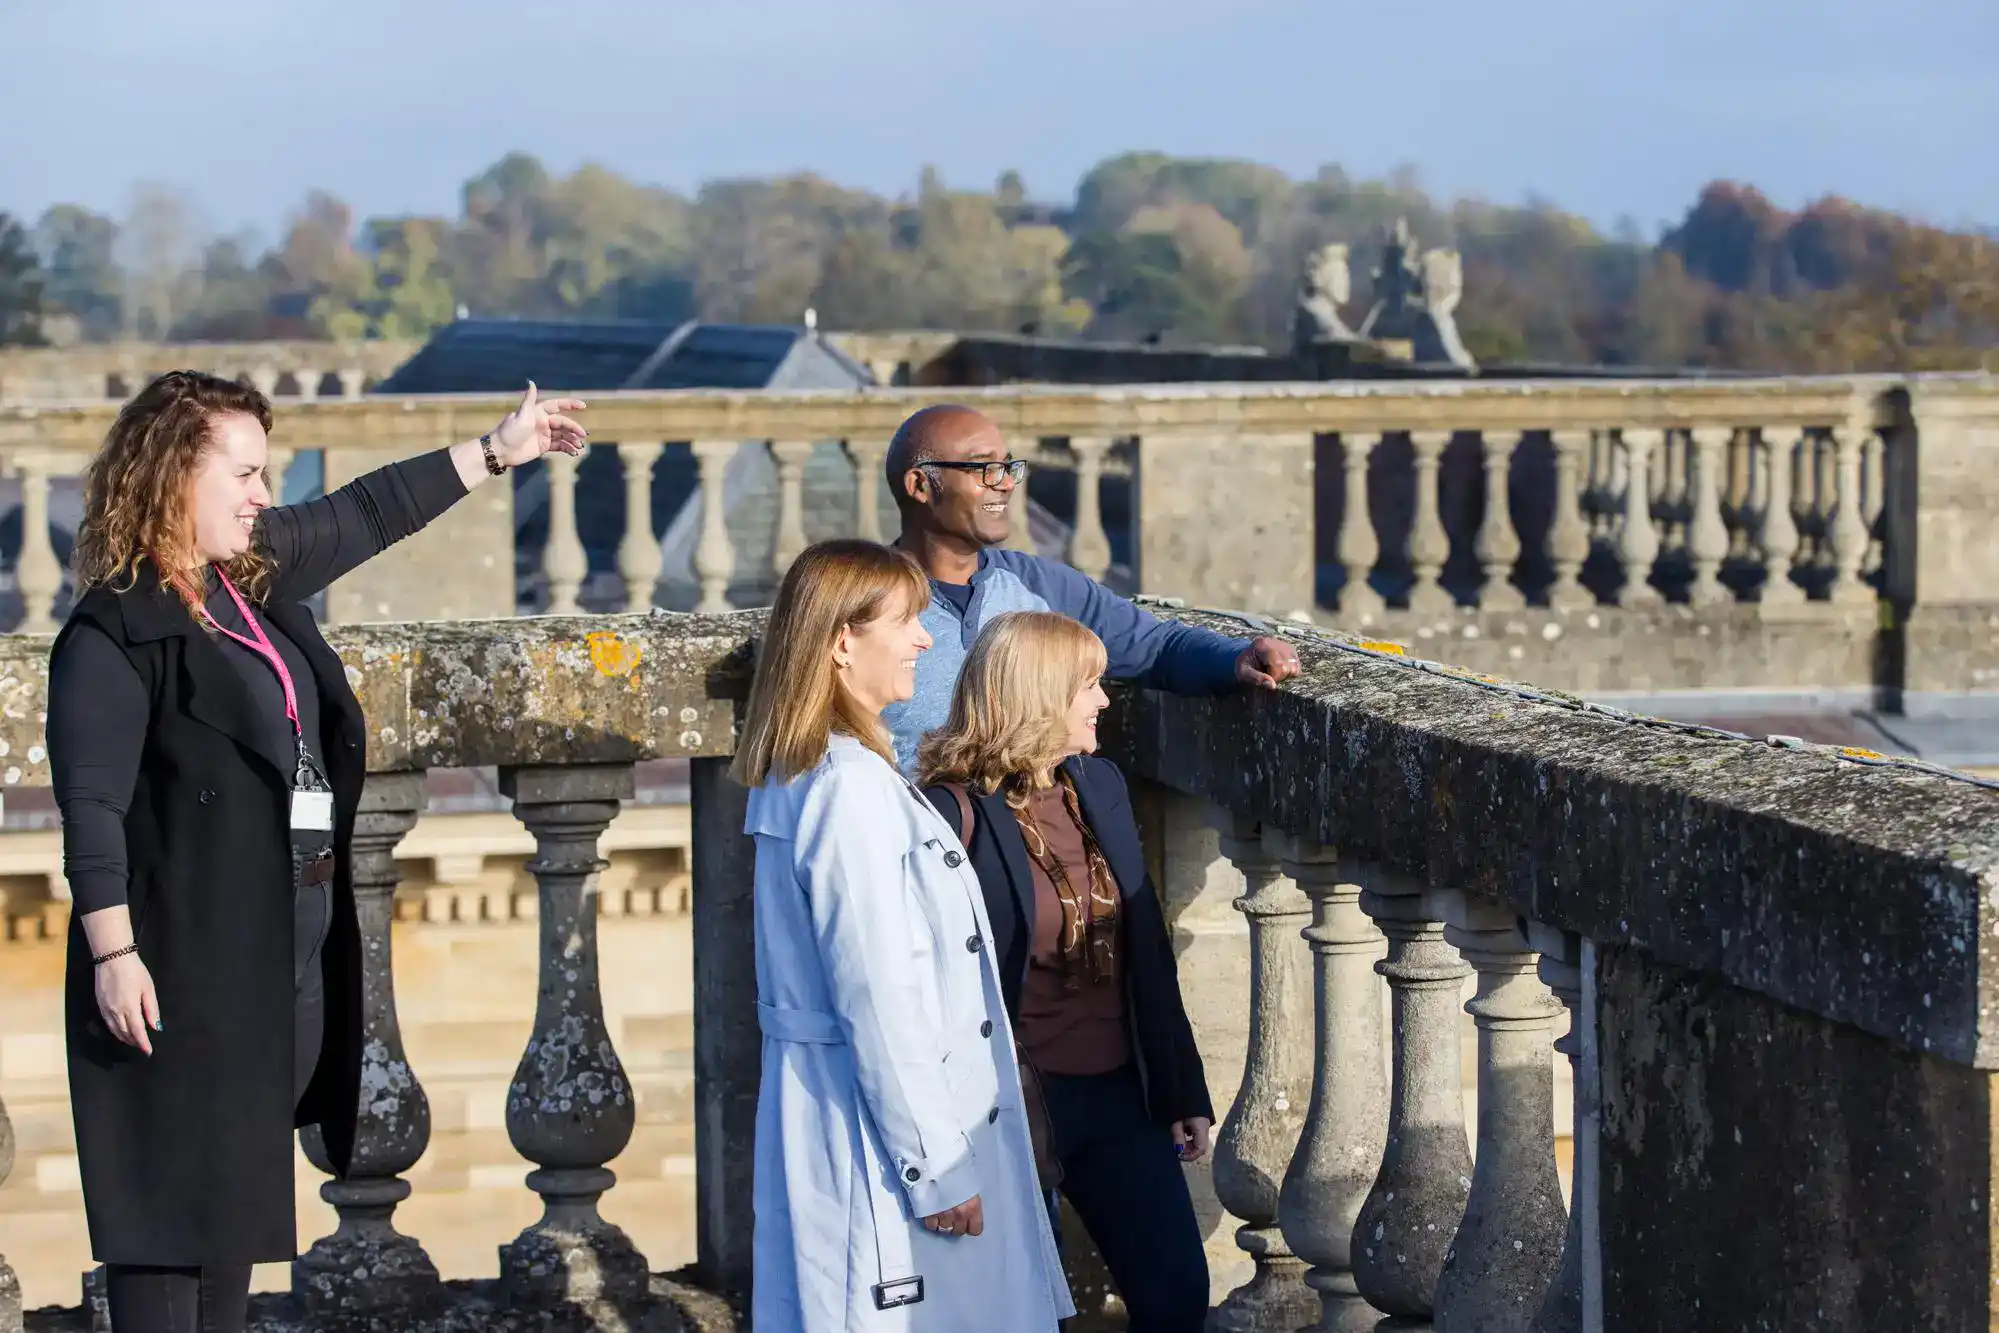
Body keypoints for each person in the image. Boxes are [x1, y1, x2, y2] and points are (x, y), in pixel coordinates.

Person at [50, 370, 587, 1333]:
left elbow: (367, 512)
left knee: (228, 1235)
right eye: (245, 474)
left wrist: (501, 448)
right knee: (168, 1231)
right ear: (174, 474)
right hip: (173, 971)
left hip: (273, 964)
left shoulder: (248, 577)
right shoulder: (112, 630)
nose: (264, 496)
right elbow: (90, 808)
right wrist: (113, 954)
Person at [733, 538, 1073, 1332]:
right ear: (842, 641)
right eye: (908, 621)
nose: (926, 639)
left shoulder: (825, 771)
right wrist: (935, 1168)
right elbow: (876, 990)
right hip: (885, 1143)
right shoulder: (846, 786)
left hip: (862, 1122)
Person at [917, 611, 1213, 1333]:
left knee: (1177, 1297)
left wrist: (1181, 1088)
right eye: (1089, 685)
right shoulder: (944, 811)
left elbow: (1146, 949)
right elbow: (921, 990)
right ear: (1038, 694)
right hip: (1013, 1106)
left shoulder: (1097, 784)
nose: (1104, 701)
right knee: (1017, 1314)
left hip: (1119, 1094)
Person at [880, 403, 1303, 775]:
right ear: (919, 485)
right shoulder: (858, 602)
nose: (1006, 483)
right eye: (984, 468)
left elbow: (1154, 645)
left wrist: (1236, 658)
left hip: (1030, 847)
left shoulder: (1039, 585)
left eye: (1008, 467)